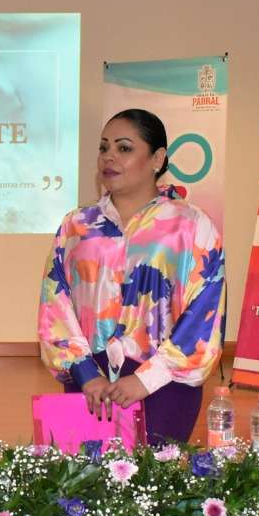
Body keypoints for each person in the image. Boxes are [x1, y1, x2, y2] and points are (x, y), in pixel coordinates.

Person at [38, 109, 225, 445]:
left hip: (164, 384)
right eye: (104, 147)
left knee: (154, 476)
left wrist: (147, 379)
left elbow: (205, 313)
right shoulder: (76, 226)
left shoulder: (191, 225)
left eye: (124, 148)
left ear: (157, 158)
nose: (109, 156)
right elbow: (56, 305)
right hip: (89, 384)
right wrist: (86, 373)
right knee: (84, 476)